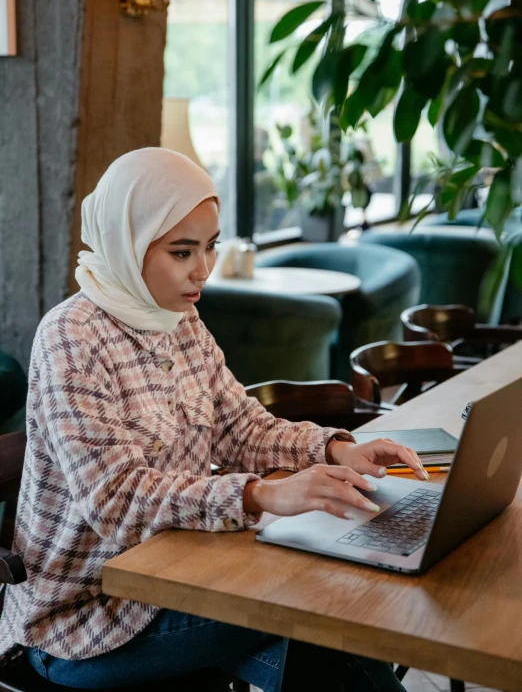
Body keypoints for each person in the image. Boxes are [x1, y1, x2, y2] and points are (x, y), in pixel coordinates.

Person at [0, 148, 428, 691]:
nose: (202, 270)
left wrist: (336, 450)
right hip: (84, 619)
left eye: (209, 247)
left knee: (319, 633)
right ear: (127, 244)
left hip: (182, 573)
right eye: (182, 252)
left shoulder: (179, 320)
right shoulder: (71, 337)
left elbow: (241, 426)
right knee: (317, 611)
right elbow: (116, 500)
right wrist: (262, 496)